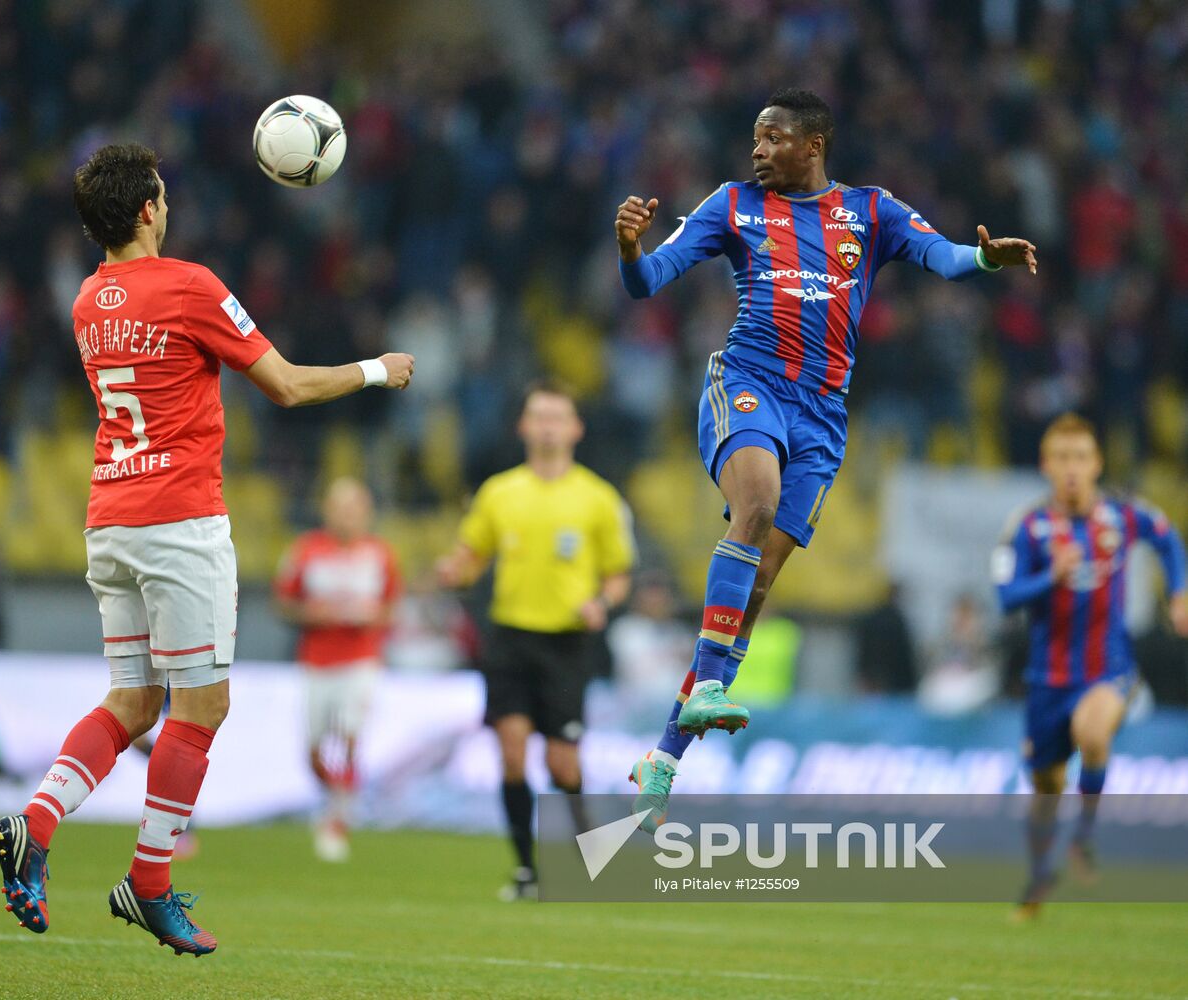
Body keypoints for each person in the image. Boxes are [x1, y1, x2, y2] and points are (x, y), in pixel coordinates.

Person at [0, 144, 414, 954]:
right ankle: (148, 883)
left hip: (110, 516)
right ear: (147, 210)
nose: (170, 206)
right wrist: (375, 370)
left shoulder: (86, 300)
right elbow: (284, 385)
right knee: (203, 706)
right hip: (179, 522)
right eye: (164, 196)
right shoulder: (189, 285)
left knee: (134, 701)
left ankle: (34, 821)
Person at [615, 88, 1037, 829]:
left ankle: (664, 756)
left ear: (812, 144)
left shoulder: (870, 211)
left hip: (821, 415)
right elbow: (649, 281)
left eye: (771, 137)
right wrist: (627, 249)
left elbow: (941, 258)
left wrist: (985, 257)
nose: (756, 150)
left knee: (758, 584)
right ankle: (705, 697)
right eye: (753, 137)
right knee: (755, 505)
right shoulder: (730, 205)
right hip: (746, 381)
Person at [436, 382, 634, 900]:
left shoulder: (597, 497)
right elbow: (472, 553)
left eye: (557, 417)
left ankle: (588, 840)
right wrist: (455, 569)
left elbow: (618, 575)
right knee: (512, 752)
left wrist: (602, 604)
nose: (547, 425)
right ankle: (527, 870)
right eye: (538, 416)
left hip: (566, 643)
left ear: (575, 429)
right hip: (509, 637)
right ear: (524, 427)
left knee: (562, 763)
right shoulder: (499, 492)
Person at [992, 413, 1188, 918]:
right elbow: (1006, 597)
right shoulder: (1028, 526)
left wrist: (1180, 591)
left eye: (1081, 457)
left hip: (1110, 669)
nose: (1072, 468)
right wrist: (1050, 577)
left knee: (1093, 732)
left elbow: (1167, 538)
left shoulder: (1122, 516)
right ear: (1046, 465)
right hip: (1046, 680)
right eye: (1062, 458)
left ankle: (1083, 836)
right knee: (1046, 789)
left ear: (1097, 463)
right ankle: (1039, 877)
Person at [273, 477, 401, 863]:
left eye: (355, 508)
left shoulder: (380, 554)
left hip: (361, 660)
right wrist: (310, 614)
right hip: (317, 661)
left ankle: (336, 822)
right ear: (327, 510)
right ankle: (340, 796)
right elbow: (284, 602)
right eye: (341, 507)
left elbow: (392, 607)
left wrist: (372, 617)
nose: (348, 516)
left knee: (348, 737)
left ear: (367, 512)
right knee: (312, 753)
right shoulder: (306, 550)